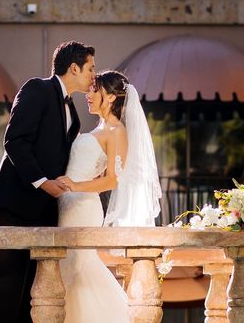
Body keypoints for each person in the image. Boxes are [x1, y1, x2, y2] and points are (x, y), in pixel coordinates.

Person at [0, 41, 96, 323]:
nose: (94, 75)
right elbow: (14, 141)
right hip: (14, 204)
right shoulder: (37, 88)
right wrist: (42, 181)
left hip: (46, 211)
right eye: (91, 68)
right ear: (74, 68)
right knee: (9, 285)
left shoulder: (73, 110)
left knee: (32, 293)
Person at [55, 70, 162, 323]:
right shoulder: (100, 128)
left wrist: (75, 186)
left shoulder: (117, 131)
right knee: (65, 271)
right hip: (67, 202)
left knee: (78, 269)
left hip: (82, 206)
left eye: (95, 90)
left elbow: (114, 179)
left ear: (112, 97)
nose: (88, 95)